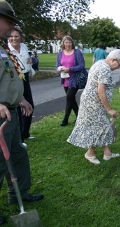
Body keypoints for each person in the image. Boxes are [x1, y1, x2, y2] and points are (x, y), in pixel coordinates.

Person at [0, 1, 43, 224]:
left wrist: (22, 98)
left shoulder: (2, 47)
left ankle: (18, 194)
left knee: (18, 153)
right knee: (0, 161)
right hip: (0, 115)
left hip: (13, 111)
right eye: (9, 21)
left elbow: (9, 78)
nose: (12, 27)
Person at [67, 50, 120, 165]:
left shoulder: (100, 63)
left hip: (91, 101)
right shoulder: (104, 68)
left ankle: (107, 153)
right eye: (119, 64)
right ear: (113, 60)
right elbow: (101, 90)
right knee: (99, 127)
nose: (119, 67)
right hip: (94, 103)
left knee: (102, 126)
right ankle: (90, 153)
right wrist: (109, 109)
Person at [8, 26, 35, 145]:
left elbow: (28, 60)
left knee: (30, 105)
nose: (14, 38)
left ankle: (26, 133)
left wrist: (30, 67)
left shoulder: (23, 47)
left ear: (20, 37)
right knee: (18, 109)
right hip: (14, 79)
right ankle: (20, 138)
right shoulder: (6, 50)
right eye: (12, 36)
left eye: (16, 36)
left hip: (25, 77)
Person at [56, 35, 86, 126]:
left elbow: (82, 65)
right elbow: (57, 65)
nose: (68, 44)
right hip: (64, 78)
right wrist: (58, 69)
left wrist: (70, 69)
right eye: (66, 42)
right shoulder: (60, 53)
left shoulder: (77, 52)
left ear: (72, 43)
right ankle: (79, 117)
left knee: (69, 98)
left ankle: (65, 120)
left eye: (69, 42)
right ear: (63, 44)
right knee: (71, 99)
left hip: (75, 79)